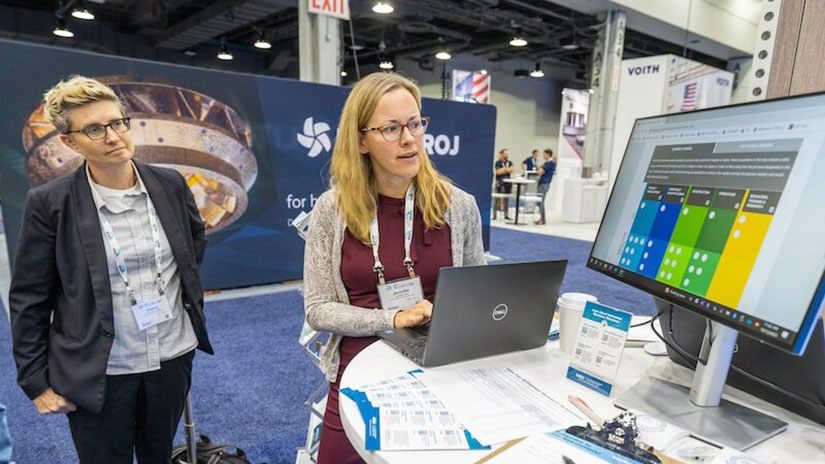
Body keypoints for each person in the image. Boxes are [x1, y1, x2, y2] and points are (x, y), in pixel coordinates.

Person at [9, 75, 213, 464]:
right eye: (95, 129)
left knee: (158, 456)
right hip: (100, 366)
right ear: (70, 141)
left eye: (118, 122)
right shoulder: (50, 203)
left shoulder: (169, 184)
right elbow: (29, 297)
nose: (114, 136)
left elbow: (192, 245)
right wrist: (34, 381)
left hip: (170, 356)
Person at [303, 72, 486, 464]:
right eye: (391, 128)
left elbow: (478, 293)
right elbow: (318, 309)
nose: (409, 138)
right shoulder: (330, 211)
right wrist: (394, 317)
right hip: (358, 366)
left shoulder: (459, 206)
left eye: (416, 123)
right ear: (360, 140)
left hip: (440, 359)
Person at [535, 148, 558, 225]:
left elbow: (539, 171)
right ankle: (541, 218)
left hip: (544, 184)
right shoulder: (547, 163)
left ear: (548, 154)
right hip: (543, 183)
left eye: (544, 154)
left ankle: (543, 219)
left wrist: (540, 168)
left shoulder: (550, 163)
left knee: (541, 202)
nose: (543, 156)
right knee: (539, 202)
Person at [494, 148, 514, 220]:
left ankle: (506, 214)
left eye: (508, 154)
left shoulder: (510, 162)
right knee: (497, 199)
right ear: (502, 154)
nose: (507, 155)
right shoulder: (498, 163)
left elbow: (512, 170)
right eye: (505, 153)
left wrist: (504, 170)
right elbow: (498, 172)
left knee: (506, 200)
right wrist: (506, 170)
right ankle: (494, 214)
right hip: (500, 182)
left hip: (507, 183)